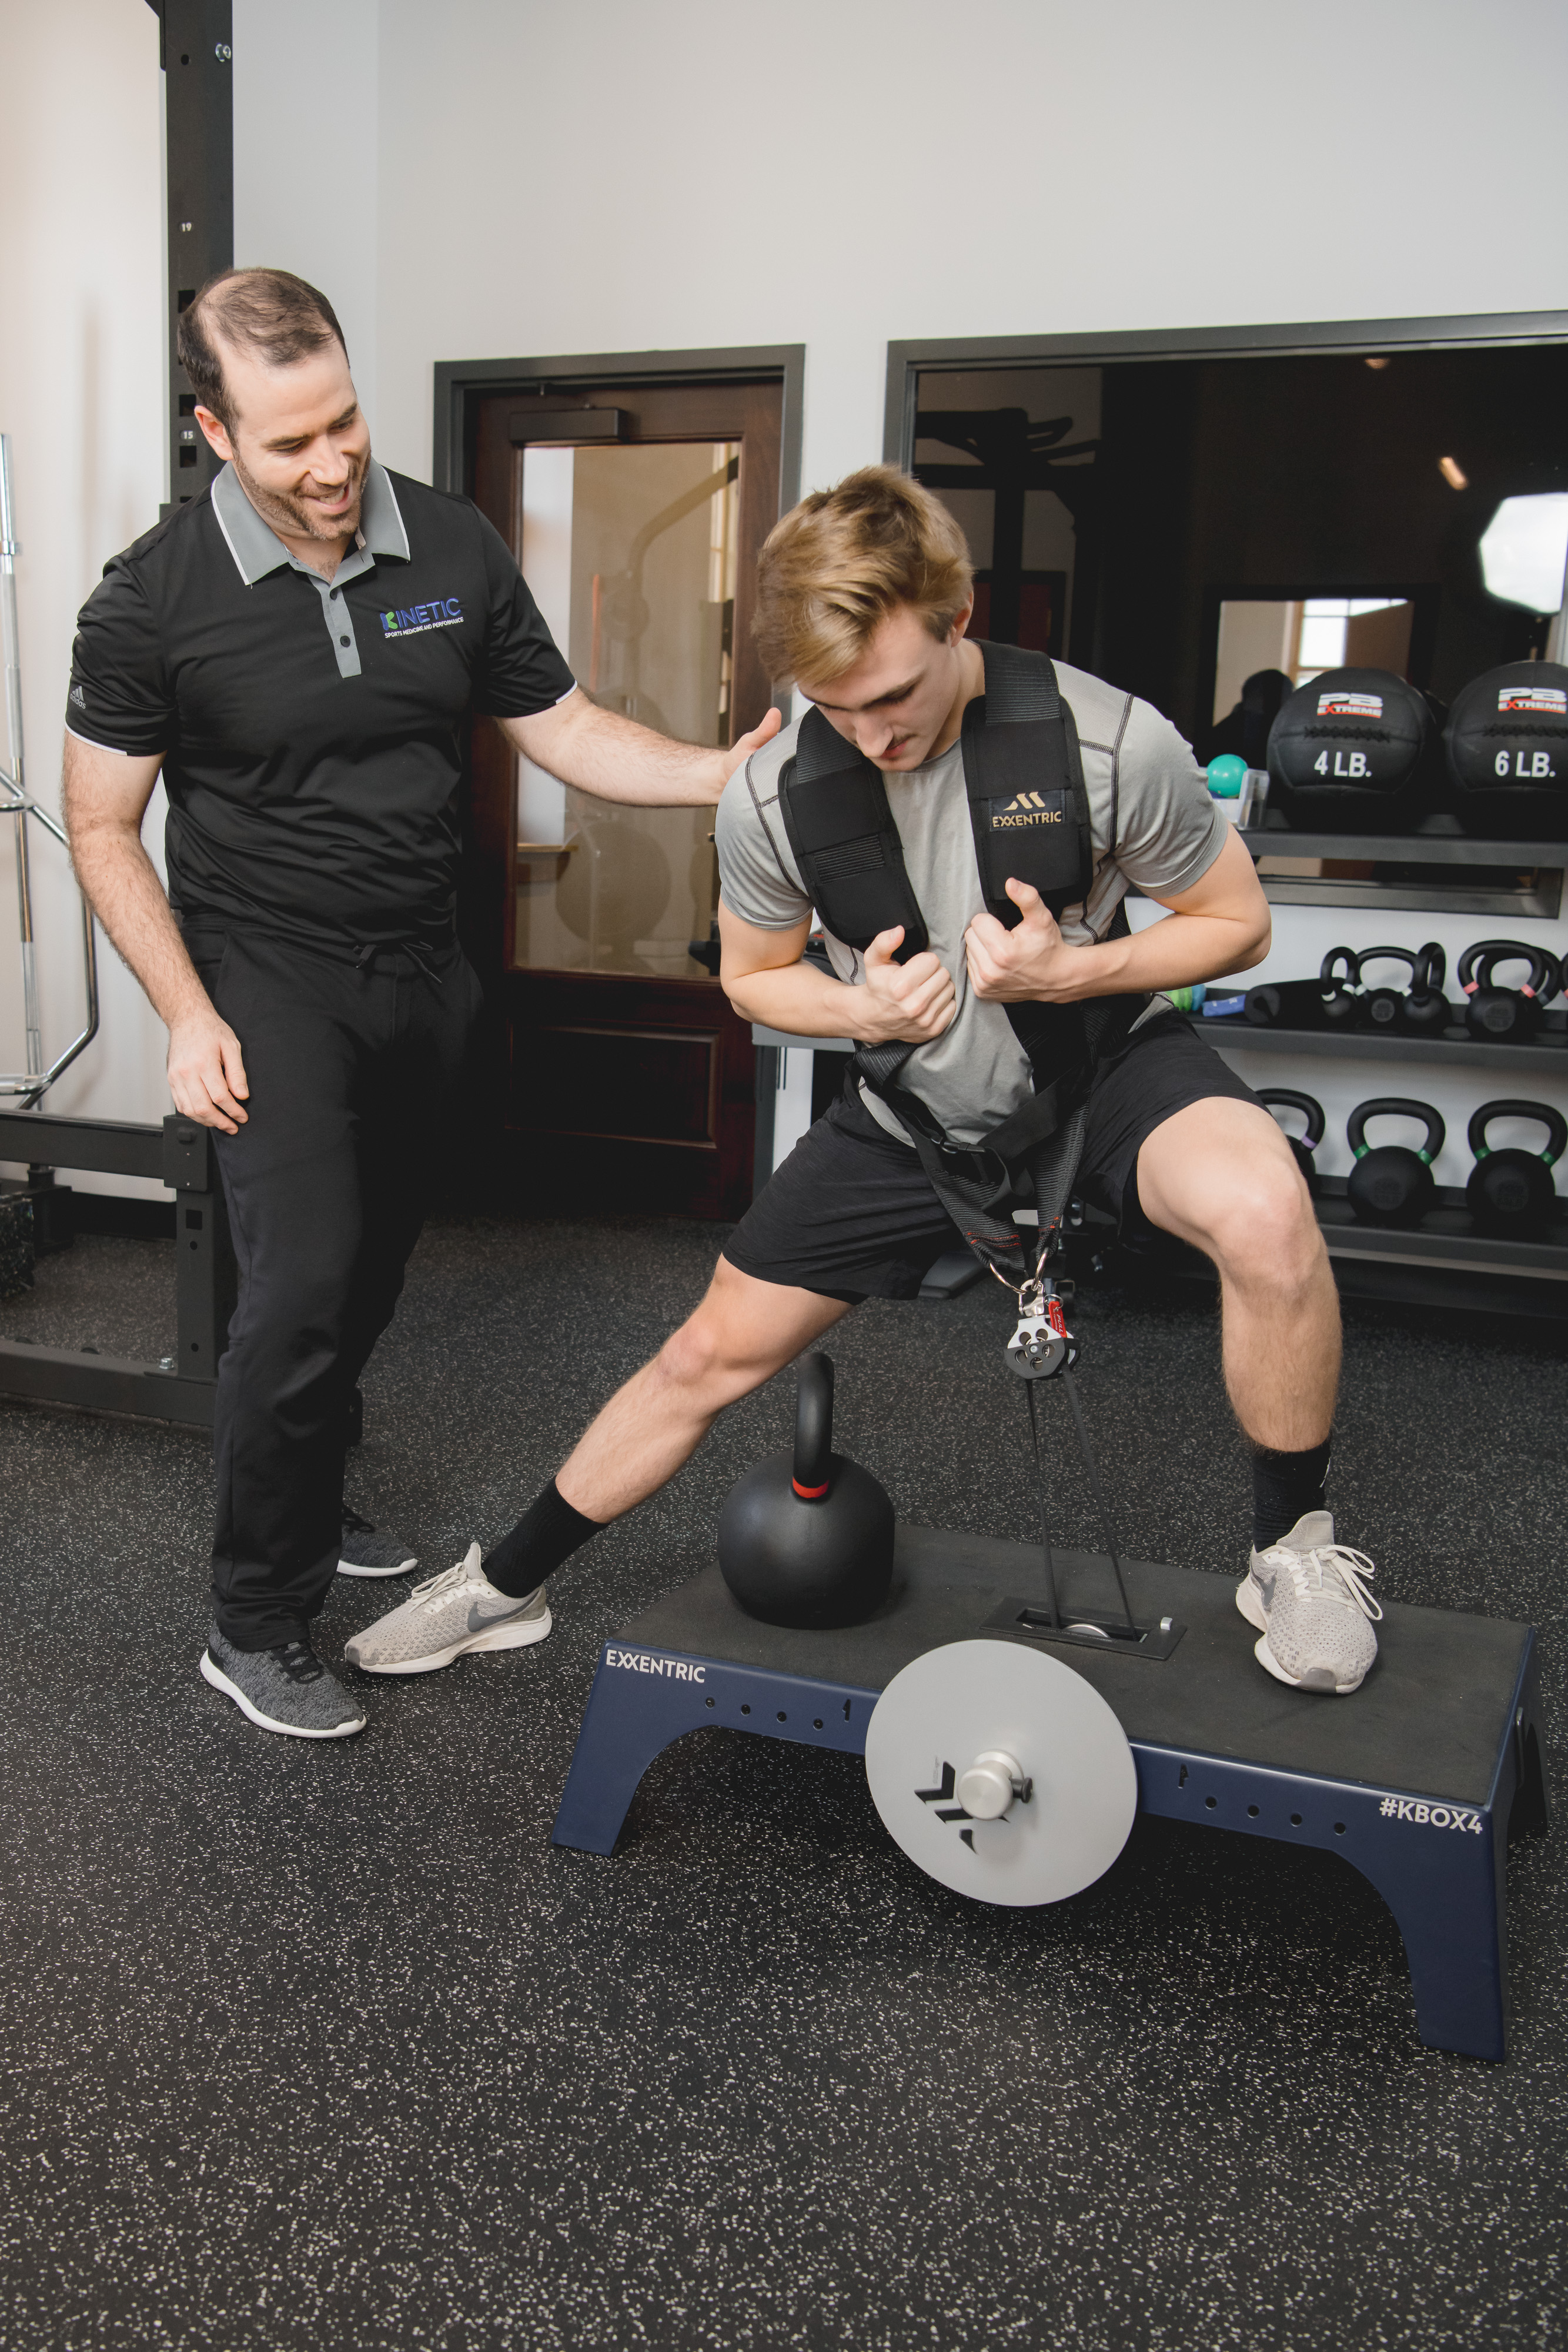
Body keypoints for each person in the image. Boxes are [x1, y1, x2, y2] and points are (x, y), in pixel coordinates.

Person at [348, 466, 1382, 1699]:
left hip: (1102, 1067)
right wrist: (857, 1008)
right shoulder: (771, 793)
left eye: (893, 695)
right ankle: (499, 1585)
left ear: (957, 618)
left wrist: (1075, 969)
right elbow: (750, 976)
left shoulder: (1110, 741)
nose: (874, 735)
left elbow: (1236, 922)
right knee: (701, 1356)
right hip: (907, 1114)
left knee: (1266, 1212)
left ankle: (1292, 1552)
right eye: (837, 709)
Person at [62, 268, 779, 1741]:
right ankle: (255, 1617)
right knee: (305, 1284)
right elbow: (100, 826)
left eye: (343, 423)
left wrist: (724, 772)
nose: (330, 467)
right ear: (214, 432)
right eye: (286, 444)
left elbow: (564, 723)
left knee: (373, 1273)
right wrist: (188, 1015)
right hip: (264, 979)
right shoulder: (149, 599)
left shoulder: (445, 542)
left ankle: (312, 1491)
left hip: (422, 972)